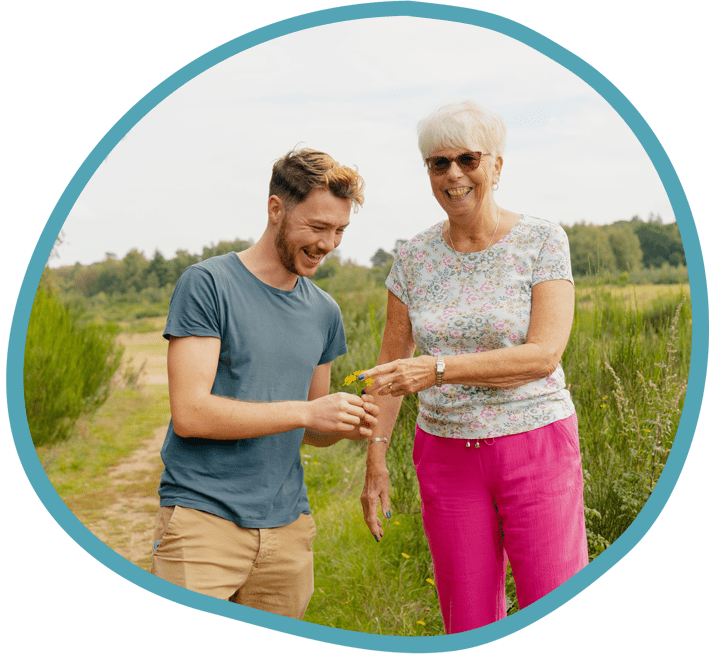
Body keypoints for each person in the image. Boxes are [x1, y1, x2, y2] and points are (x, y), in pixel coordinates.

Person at [359, 101, 588, 633]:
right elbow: (390, 367)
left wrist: (439, 370)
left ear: (497, 166)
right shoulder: (412, 256)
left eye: (468, 158)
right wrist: (375, 458)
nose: (454, 174)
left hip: (536, 444)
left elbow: (543, 355)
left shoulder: (541, 240)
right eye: (439, 163)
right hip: (445, 456)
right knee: (466, 620)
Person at [151, 147, 379, 620]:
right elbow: (190, 414)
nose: (329, 244)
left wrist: (342, 422)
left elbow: (313, 430)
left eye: (340, 230)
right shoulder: (208, 284)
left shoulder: (324, 311)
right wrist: (306, 412)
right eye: (317, 227)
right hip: (201, 522)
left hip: (288, 531)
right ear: (276, 209)